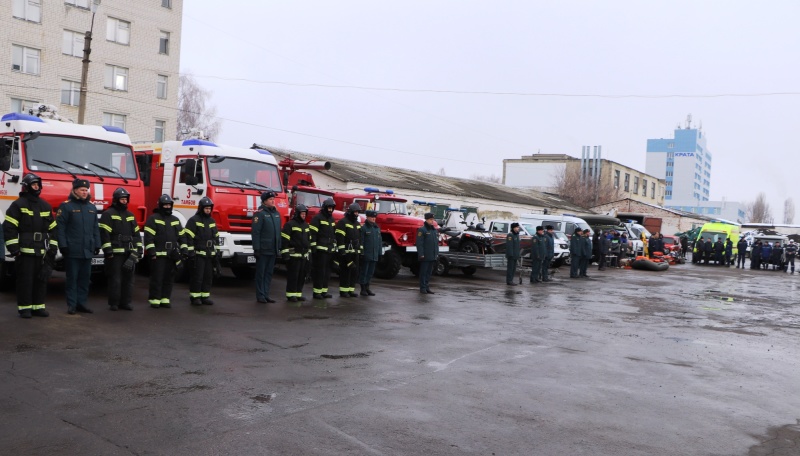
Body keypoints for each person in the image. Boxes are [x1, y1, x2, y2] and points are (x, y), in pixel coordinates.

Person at [3, 173, 57, 318]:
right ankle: (25, 308)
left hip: (41, 251)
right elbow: (9, 228)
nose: (36, 187)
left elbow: (53, 229)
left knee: (41, 279)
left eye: (38, 185)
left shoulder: (45, 205)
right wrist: (14, 249)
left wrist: (52, 248)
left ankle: (38, 307)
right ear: (26, 187)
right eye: (33, 185)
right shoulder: (18, 205)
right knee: (25, 280)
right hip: (24, 251)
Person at [57, 179, 101, 315]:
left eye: (86, 190)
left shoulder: (91, 207)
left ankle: (82, 303)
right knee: (72, 279)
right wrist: (63, 245)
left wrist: (97, 244)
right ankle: (71, 305)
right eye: (82, 190)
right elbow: (60, 228)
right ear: (75, 190)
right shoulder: (66, 207)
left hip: (87, 250)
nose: (84, 192)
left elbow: (95, 228)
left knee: (84, 279)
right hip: (72, 250)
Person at [98, 187, 142, 311]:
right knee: (115, 279)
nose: (124, 201)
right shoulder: (108, 214)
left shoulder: (130, 215)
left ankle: (126, 302)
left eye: (125, 199)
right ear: (116, 200)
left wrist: (138, 250)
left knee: (129, 280)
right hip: (115, 253)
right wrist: (108, 251)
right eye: (122, 199)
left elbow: (136, 235)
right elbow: (104, 234)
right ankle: (114, 303)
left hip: (129, 252)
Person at [144, 194, 186, 309]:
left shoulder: (175, 220)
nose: (167, 207)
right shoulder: (153, 219)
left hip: (171, 255)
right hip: (158, 255)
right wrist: (151, 251)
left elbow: (182, 236)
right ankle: (155, 299)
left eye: (169, 205)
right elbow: (148, 237)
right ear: (161, 205)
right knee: (157, 278)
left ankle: (165, 298)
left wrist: (184, 249)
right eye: (165, 205)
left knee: (169, 278)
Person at [184, 197, 220, 306]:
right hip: (198, 254)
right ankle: (195, 297)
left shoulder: (212, 221)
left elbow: (216, 238)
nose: (208, 210)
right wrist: (190, 252)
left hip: (209, 255)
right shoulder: (193, 220)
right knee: (197, 277)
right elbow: (188, 237)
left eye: (209, 208)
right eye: (206, 208)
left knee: (208, 277)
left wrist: (217, 252)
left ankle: (205, 296)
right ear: (201, 208)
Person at [252, 191, 282, 303]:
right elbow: (256, 232)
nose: (273, 201)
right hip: (263, 249)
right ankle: (260, 295)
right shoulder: (260, 214)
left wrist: (278, 247)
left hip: (272, 250)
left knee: (269, 273)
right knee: (261, 273)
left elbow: (278, 232)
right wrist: (257, 248)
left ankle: (266, 294)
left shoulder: (276, 214)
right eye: (270, 199)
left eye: (273, 199)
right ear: (264, 201)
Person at [281, 204, 311, 302]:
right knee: (293, 276)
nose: (303, 215)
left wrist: (309, 253)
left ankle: (298, 293)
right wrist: (285, 254)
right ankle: (291, 295)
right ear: (297, 214)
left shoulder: (306, 225)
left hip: (303, 256)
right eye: (302, 213)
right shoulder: (290, 225)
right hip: (293, 256)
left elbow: (308, 240)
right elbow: (284, 241)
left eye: (305, 214)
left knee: (301, 276)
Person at [310, 198, 336, 299]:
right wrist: (314, 248)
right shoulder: (317, 218)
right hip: (320, 250)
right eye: (329, 208)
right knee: (319, 272)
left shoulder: (331, 219)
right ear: (325, 207)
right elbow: (313, 234)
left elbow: (333, 234)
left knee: (327, 272)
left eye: (332, 208)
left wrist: (334, 246)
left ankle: (324, 291)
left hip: (329, 250)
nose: (330, 210)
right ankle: (317, 292)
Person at [336, 203, 362, 297]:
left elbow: (360, 238)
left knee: (354, 271)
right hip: (346, 252)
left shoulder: (357, 224)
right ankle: (344, 291)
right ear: (350, 212)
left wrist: (360, 249)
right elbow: (340, 238)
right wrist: (342, 251)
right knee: (346, 272)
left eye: (358, 212)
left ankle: (351, 290)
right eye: (355, 212)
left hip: (355, 252)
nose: (356, 214)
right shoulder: (342, 222)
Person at [359, 210, 382, 295]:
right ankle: (363, 288)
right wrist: (361, 253)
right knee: (364, 272)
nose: (373, 218)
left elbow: (379, 242)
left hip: (374, 254)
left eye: (374, 217)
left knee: (370, 272)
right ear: (367, 217)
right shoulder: (364, 228)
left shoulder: (377, 228)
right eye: (372, 217)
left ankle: (368, 287)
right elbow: (361, 242)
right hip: (366, 254)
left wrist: (380, 253)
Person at [416, 212, 439, 294]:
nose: (432, 221)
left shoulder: (433, 230)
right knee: (423, 272)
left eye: (433, 219)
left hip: (432, 255)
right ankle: (422, 287)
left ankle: (427, 286)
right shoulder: (422, 230)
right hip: (425, 255)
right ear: (426, 219)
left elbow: (436, 243)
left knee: (429, 272)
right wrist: (421, 254)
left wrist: (436, 253)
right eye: (430, 219)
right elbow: (419, 243)